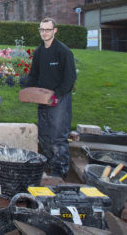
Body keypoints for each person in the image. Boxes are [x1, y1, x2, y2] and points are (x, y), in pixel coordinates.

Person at [23, 17, 77, 179]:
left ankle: (60, 170)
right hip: (43, 98)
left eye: (47, 29)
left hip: (59, 98)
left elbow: (70, 78)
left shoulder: (63, 52)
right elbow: (34, 74)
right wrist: (27, 88)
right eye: (42, 29)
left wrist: (57, 95)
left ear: (55, 31)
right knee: (44, 134)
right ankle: (48, 163)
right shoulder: (39, 52)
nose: (44, 33)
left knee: (58, 136)